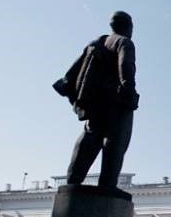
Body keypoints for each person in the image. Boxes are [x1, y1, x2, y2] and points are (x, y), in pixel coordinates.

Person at [54, 11, 139, 190]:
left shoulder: (97, 43)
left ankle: (73, 180)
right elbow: (126, 68)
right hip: (116, 103)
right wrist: (129, 95)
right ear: (128, 26)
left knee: (90, 138)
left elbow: (75, 72)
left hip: (94, 104)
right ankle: (107, 186)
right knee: (115, 143)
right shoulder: (124, 42)